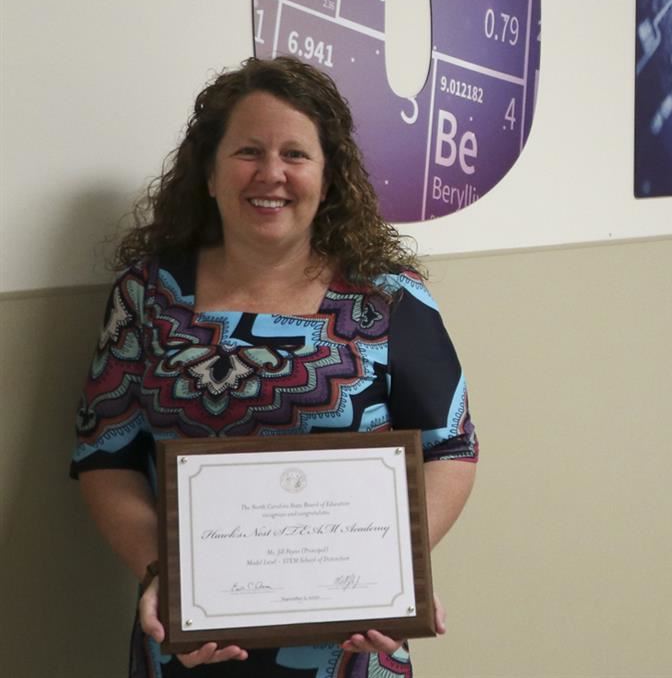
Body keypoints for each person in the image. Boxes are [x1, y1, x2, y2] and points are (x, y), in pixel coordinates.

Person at [71, 56, 477, 676]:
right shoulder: (147, 295)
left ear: (329, 175)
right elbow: (106, 457)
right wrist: (165, 575)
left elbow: (450, 449)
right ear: (208, 172)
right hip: (188, 642)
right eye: (247, 152)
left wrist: (396, 571)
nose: (271, 174)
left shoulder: (388, 299)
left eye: (296, 154)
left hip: (351, 646)